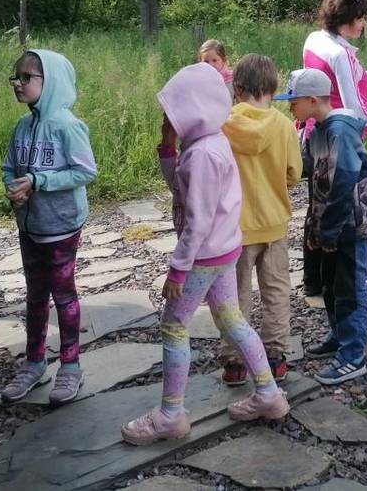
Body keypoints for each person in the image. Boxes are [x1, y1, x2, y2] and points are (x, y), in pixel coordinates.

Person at [122, 63, 290, 445]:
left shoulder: (201, 155)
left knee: (173, 326)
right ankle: (268, 394)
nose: (167, 117)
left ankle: (170, 415)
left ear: (193, 108)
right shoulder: (211, 142)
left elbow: (196, 221)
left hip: (202, 257)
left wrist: (177, 270)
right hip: (225, 249)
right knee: (232, 320)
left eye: (172, 110)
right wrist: (167, 150)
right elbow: (181, 191)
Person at [0, 49, 96, 406]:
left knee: (63, 294)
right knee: (35, 295)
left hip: (61, 227)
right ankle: (35, 361)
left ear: (50, 81)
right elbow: (9, 167)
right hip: (29, 225)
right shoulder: (22, 127)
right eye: (17, 77)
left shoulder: (68, 126)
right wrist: (13, 187)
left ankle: (71, 366)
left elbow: (86, 171)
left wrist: (38, 181)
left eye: (27, 78)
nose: (18, 84)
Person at [280, 68, 367, 386]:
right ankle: (339, 336)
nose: (290, 106)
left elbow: (342, 180)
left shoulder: (340, 129)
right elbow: (312, 172)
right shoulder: (316, 128)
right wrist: (314, 226)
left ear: (311, 100)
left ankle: (353, 354)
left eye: (293, 101)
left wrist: (329, 229)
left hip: (348, 224)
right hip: (328, 224)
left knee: (350, 288)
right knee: (331, 286)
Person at [219, 54, 303, 386]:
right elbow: (294, 173)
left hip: (235, 229)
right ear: (273, 87)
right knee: (277, 291)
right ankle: (276, 356)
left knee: (235, 297)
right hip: (274, 224)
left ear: (236, 88)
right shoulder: (284, 125)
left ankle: (234, 362)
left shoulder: (223, 124)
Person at [300, 0, 367, 298]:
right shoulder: (341, 53)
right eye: (360, 19)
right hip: (338, 135)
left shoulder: (314, 39)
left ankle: (312, 278)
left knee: (315, 204)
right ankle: (337, 281)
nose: (363, 24)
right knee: (340, 205)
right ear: (347, 21)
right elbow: (352, 104)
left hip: (313, 130)